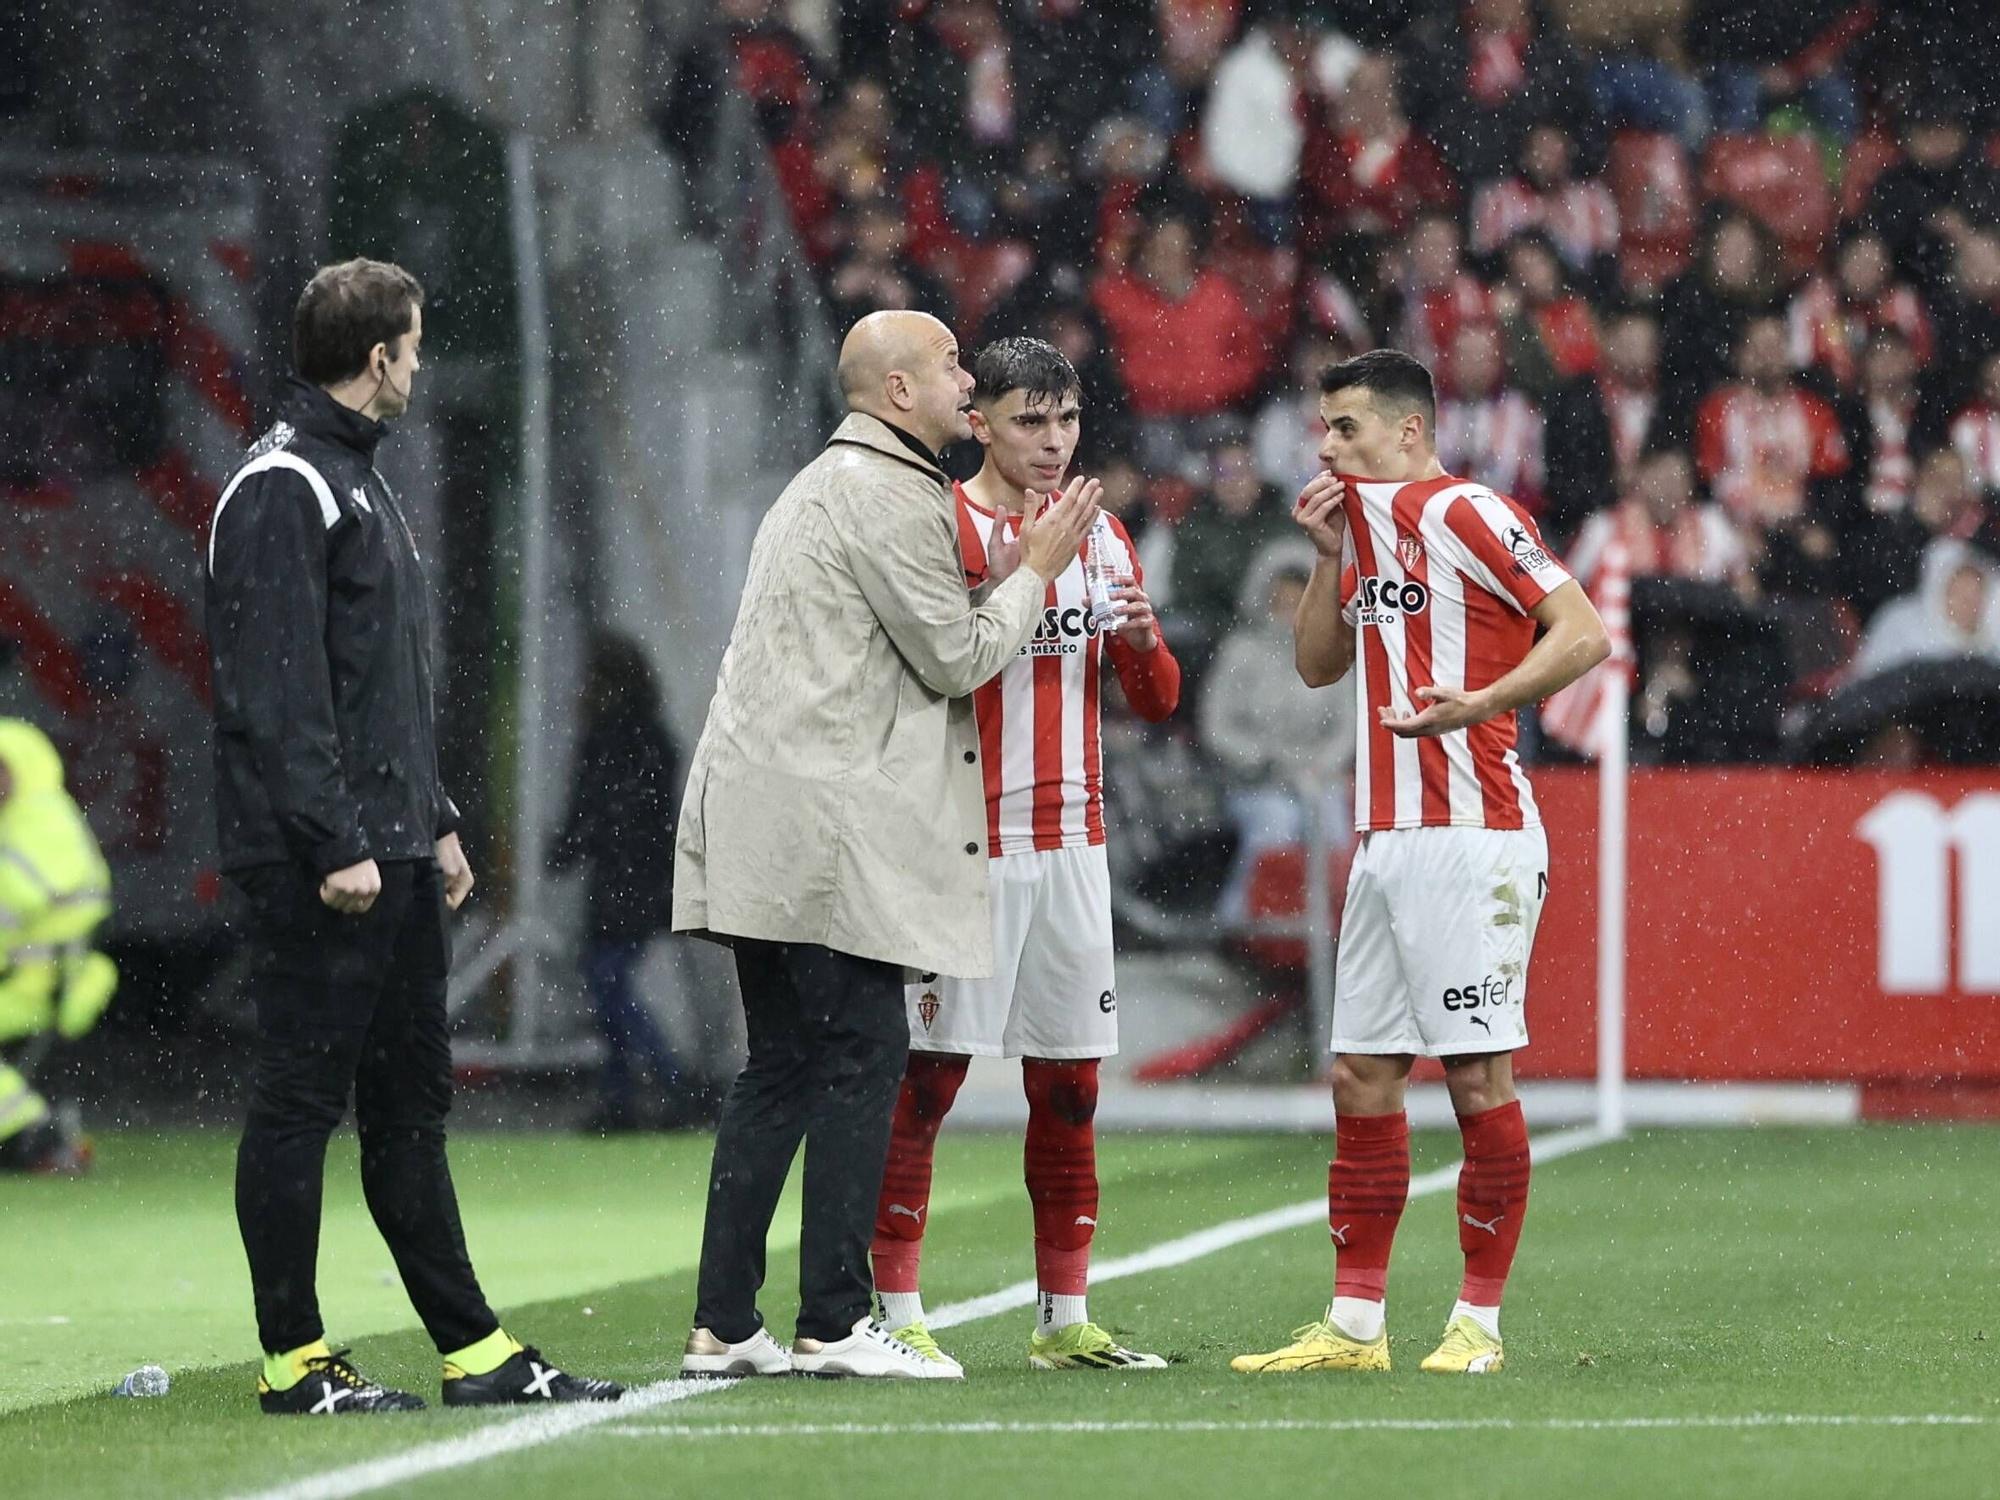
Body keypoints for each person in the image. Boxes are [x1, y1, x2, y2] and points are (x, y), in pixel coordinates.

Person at [206, 258, 619, 1414]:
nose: (422, 365)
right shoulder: (286, 484)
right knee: (299, 1101)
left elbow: (377, 684)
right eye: (416, 345)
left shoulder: (352, 478)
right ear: (380, 356)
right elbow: (274, 690)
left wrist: (429, 820)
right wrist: (335, 838)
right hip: (320, 862)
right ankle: (293, 1360)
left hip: (380, 846)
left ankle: (474, 1351)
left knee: (406, 1107)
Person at [672, 309, 1098, 1381]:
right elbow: (956, 659)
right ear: (898, 391)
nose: (968, 378)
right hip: (822, 825)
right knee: (866, 1053)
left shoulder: (818, 482)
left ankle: (723, 1322)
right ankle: (832, 1319)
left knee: (776, 1067)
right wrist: (1036, 568)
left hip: (754, 811)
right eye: (952, 363)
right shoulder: (893, 494)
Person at [1234, 349, 1609, 1377]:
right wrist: (1322, 559)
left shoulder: (1467, 514)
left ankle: (1476, 1324)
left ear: (1408, 430)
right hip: (1385, 841)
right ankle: (1355, 1327)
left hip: (1472, 835)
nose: (1325, 444)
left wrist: (1482, 703)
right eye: (1321, 425)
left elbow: (1581, 633)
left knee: (1476, 1076)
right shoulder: (1359, 532)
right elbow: (1318, 666)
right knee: (1360, 1074)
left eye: (1345, 426)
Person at [867, 337, 1181, 1375]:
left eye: (1067, 421)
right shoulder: (939, 525)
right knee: (929, 1080)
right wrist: (989, 597)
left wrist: (1141, 642)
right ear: (979, 424)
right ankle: (897, 1311)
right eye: (1028, 422)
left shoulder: (1101, 537)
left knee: (1070, 1089)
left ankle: (1062, 1317)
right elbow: (917, 678)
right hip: (969, 844)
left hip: (1072, 847)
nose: (1053, 444)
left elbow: (1156, 702)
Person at [547, 632, 696, 1133]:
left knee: (607, 985)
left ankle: (655, 1084)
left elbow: (594, 811)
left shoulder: (610, 739)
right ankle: (645, 1088)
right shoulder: (653, 738)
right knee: (610, 985)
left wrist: (567, 847)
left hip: (621, 882)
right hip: (640, 880)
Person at [1201, 560, 1356, 926]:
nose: (1288, 613)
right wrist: (1260, 757)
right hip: (1257, 780)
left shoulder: (1330, 651)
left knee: (1333, 830)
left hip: (1317, 778)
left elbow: (1347, 726)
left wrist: (1320, 766)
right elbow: (1216, 725)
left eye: (1297, 603)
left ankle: (1332, 924)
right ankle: (1249, 922)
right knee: (1274, 829)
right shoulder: (1241, 651)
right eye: (1280, 602)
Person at [0, 717, 117, 1175]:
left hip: (37, 988)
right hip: (37, 981)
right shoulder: (38, 819)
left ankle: (36, 1133)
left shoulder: (37, 825)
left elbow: (18, 904)